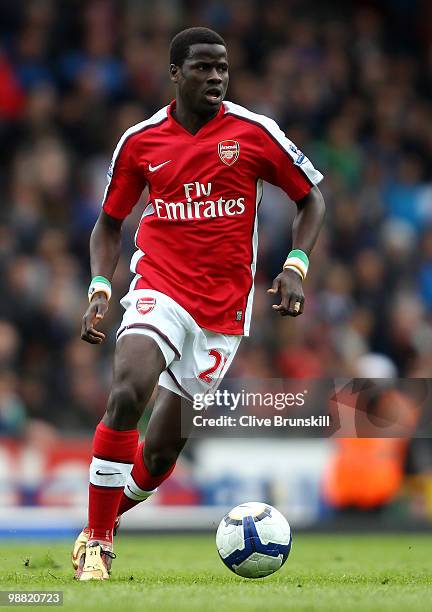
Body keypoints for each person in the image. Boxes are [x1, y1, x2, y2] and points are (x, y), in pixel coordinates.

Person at [73, 26, 325, 580]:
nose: (215, 77)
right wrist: (99, 288)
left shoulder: (255, 134)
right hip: (158, 285)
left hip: (222, 312)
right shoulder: (140, 142)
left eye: (223, 68)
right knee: (127, 389)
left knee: (160, 454)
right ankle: (97, 542)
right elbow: (108, 225)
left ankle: (104, 519)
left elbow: (311, 199)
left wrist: (295, 265)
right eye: (203, 67)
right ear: (174, 74)